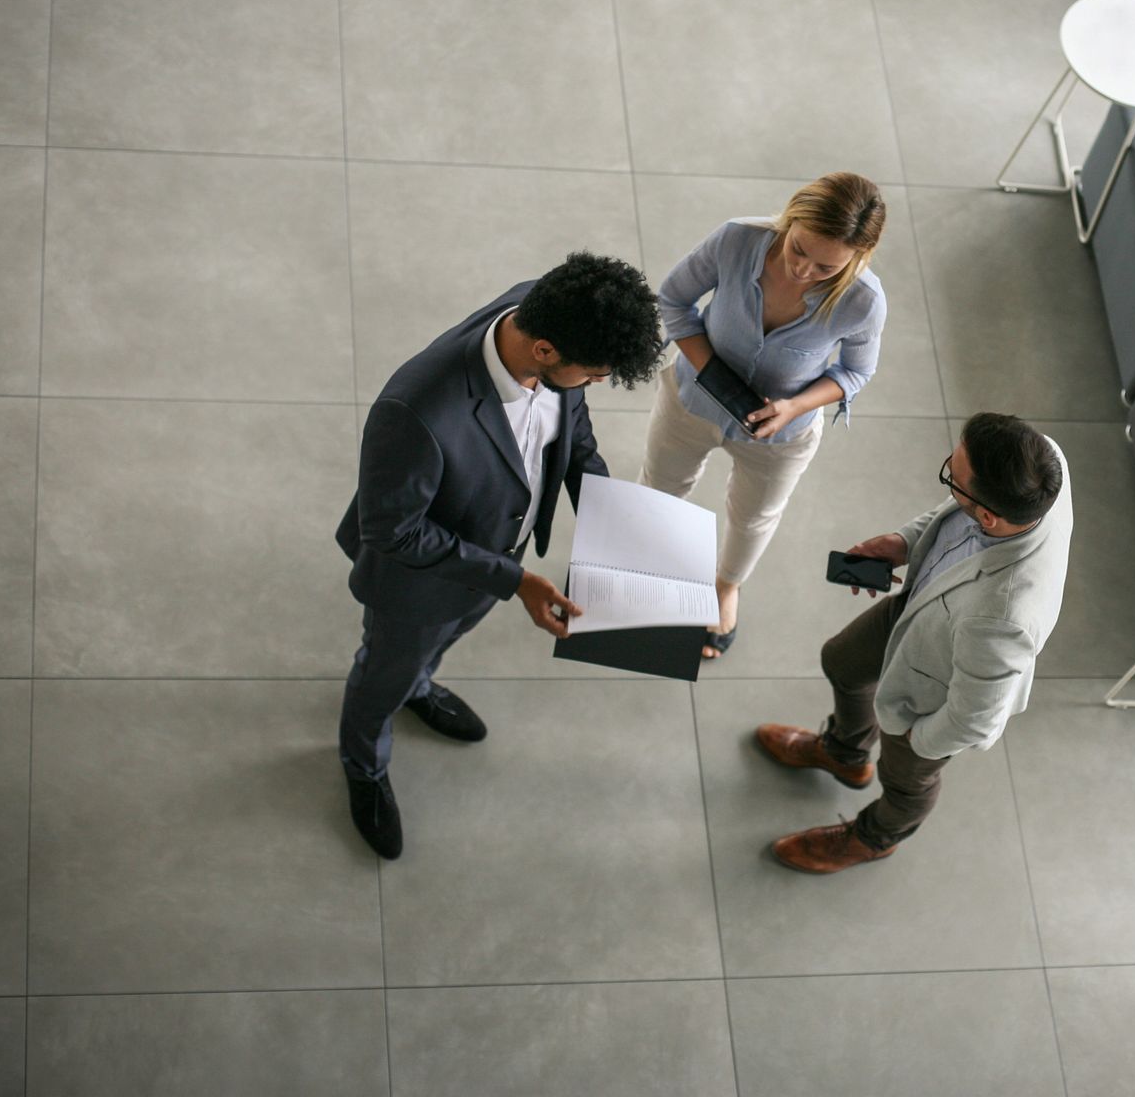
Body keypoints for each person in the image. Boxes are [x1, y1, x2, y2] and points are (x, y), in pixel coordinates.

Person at [335, 252, 664, 859]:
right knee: (382, 669)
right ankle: (365, 764)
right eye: (591, 375)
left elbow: (573, 429)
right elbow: (392, 531)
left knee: (434, 648)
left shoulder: (547, 308)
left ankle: (419, 685)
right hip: (417, 584)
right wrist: (515, 581)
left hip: (488, 557)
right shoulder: (415, 412)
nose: (591, 386)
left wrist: (616, 520)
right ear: (543, 351)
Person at [756, 413, 1072, 873]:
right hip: (921, 609)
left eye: (952, 476)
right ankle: (845, 754)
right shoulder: (1042, 460)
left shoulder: (1002, 619)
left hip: (934, 689)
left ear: (988, 514)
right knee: (841, 662)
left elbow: (976, 720)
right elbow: (955, 511)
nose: (948, 474)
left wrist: (916, 737)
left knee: (906, 781)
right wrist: (904, 541)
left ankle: (874, 838)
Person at [641, 173, 889, 660]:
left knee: (753, 518)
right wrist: (715, 375)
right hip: (691, 399)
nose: (803, 271)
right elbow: (674, 299)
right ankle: (650, 567)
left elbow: (856, 373)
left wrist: (794, 407)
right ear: (790, 218)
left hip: (782, 433)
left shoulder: (864, 301)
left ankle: (725, 589)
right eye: (798, 249)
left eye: (826, 266)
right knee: (662, 487)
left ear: (859, 257)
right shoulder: (737, 239)